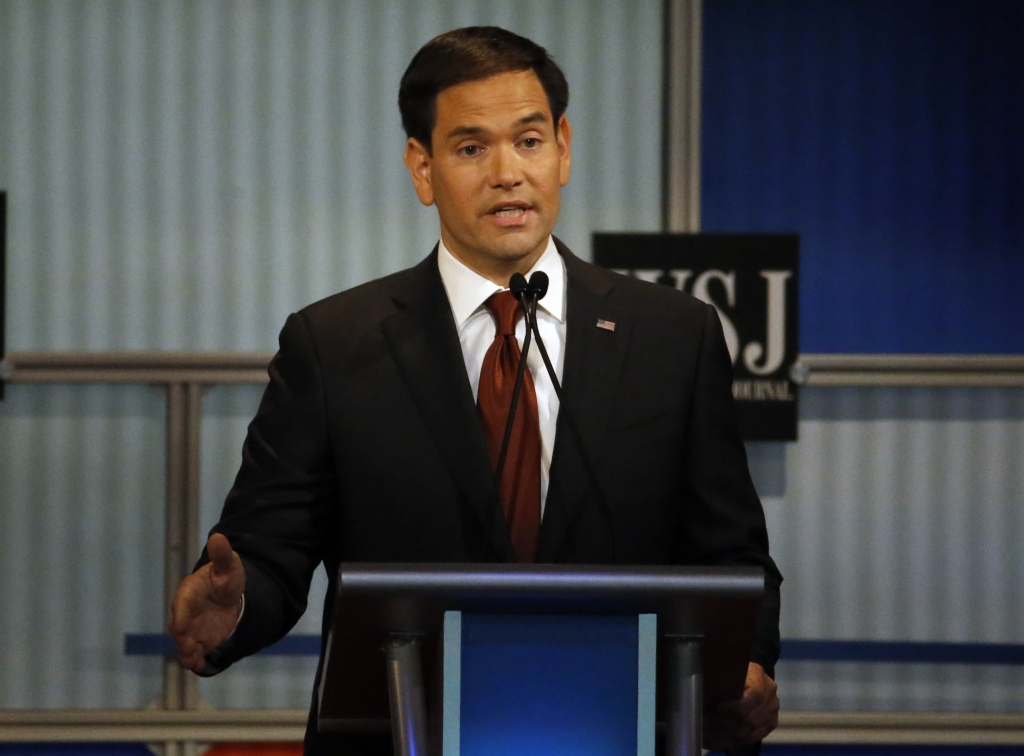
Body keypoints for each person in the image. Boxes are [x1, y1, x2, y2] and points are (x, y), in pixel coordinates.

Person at [169, 26, 782, 754]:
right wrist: (232, 608)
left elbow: (731, 554)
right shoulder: (333, 345)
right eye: (470, 148)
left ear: (563, 149)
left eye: (528, 141)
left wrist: (747, 662)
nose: (507, 173)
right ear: (422, 169)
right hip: (400, 731)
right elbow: (270, 552)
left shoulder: (672, 335)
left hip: (619, 727)